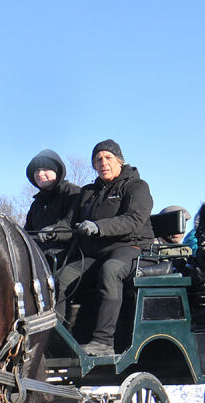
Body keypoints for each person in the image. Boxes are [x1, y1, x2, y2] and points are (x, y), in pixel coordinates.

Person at [55, 139, 154, 357]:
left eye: (108, 157)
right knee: (61, 278)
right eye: (97, 159)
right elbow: (70, 222)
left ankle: (104, 341)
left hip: (131, 247)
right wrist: (52, 231)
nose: (103, 163)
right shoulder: (88, 192)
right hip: (94, 252)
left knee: (110, 271)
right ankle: (58, 339)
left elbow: (133, 219)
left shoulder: (136, 186)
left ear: (119, 160)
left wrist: (98, 227)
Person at [24, 149, 81, 254]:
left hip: (67, 256)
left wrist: (53, 231)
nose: (40, 174)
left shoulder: (73, 194)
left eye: (45, 169)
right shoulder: (37, 204)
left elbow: (71, 225)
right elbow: (28, 232)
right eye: (36, 170)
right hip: (38, 256)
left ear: (57, 172)